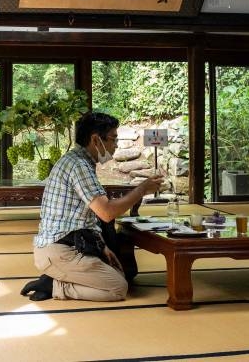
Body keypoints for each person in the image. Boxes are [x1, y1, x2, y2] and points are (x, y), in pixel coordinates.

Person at [21, 112, 163, 302]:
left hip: (67, 245)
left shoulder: (77, 161)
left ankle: (57, 277)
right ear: (96, 139)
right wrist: (141, 190)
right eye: (113, 139)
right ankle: (54, 285)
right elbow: (106, 212)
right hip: (60, 250)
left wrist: (103, 247)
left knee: (119, 273)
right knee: (118, 288)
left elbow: (85, 218)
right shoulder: (79, 165)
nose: (116, 145)